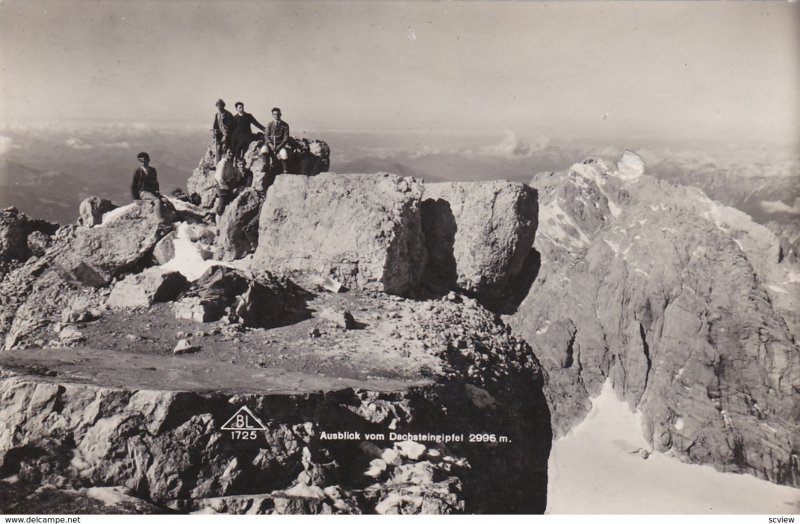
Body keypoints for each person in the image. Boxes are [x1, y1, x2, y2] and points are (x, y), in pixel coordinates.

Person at [214, 149, 239, 224]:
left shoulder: (229, 163)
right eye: (229, 152)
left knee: (227, 204)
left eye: (232, 152)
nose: (231, 154)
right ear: (225, 153)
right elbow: (219, 178)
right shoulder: (223, 163)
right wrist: (225, 187)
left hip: (228, 185)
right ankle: (218, 227)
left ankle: (224, 223)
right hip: (222, 186)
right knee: (221, 207)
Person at [264, 107, 290, 174]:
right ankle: (266, 166)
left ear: (280, 114)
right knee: (264, 149)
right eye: (274, 114)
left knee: (284, 154)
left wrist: (279, 147)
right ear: (272, 115)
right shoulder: (269, 124)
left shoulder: (285, 125)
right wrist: (270, 145)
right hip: (271, 144)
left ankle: (285, 171)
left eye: (278, 114)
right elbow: (266, 136)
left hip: (280, 145)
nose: (276, 115)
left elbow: (286, 138)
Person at [212, 99, 235, 164]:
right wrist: (215, 131)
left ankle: (226, 162)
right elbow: (215, 124)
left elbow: (230, 126)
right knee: (218, 148)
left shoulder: (228, 114)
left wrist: (226, 135)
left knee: (224, 148)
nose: (219, 107)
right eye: (217, 105)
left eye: (220, 105)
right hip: (219, 135)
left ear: (223, 106)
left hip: (228, 135)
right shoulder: (217, 114)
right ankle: (218, 163)